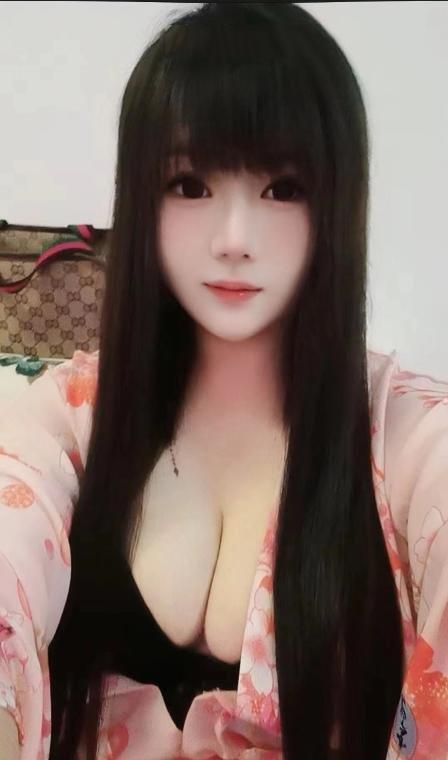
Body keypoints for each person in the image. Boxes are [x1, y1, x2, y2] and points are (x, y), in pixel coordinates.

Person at [0, 2, 447, 758]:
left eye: (283, 188)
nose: (234, 240)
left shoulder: (402, 435)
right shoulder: (71, 416)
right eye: (189, 184)